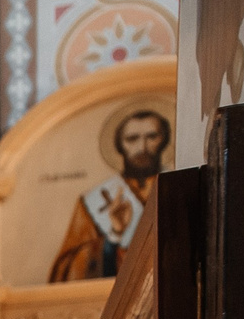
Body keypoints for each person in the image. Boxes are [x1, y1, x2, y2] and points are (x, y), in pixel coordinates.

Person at [51, 109, 171, 282]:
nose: (142, 147)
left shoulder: (176, 187)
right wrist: (114, 236)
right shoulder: (91, 202)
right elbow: (67, 270)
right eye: (132, 139)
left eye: (152, 137)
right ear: (119, 145)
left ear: (164, 140)